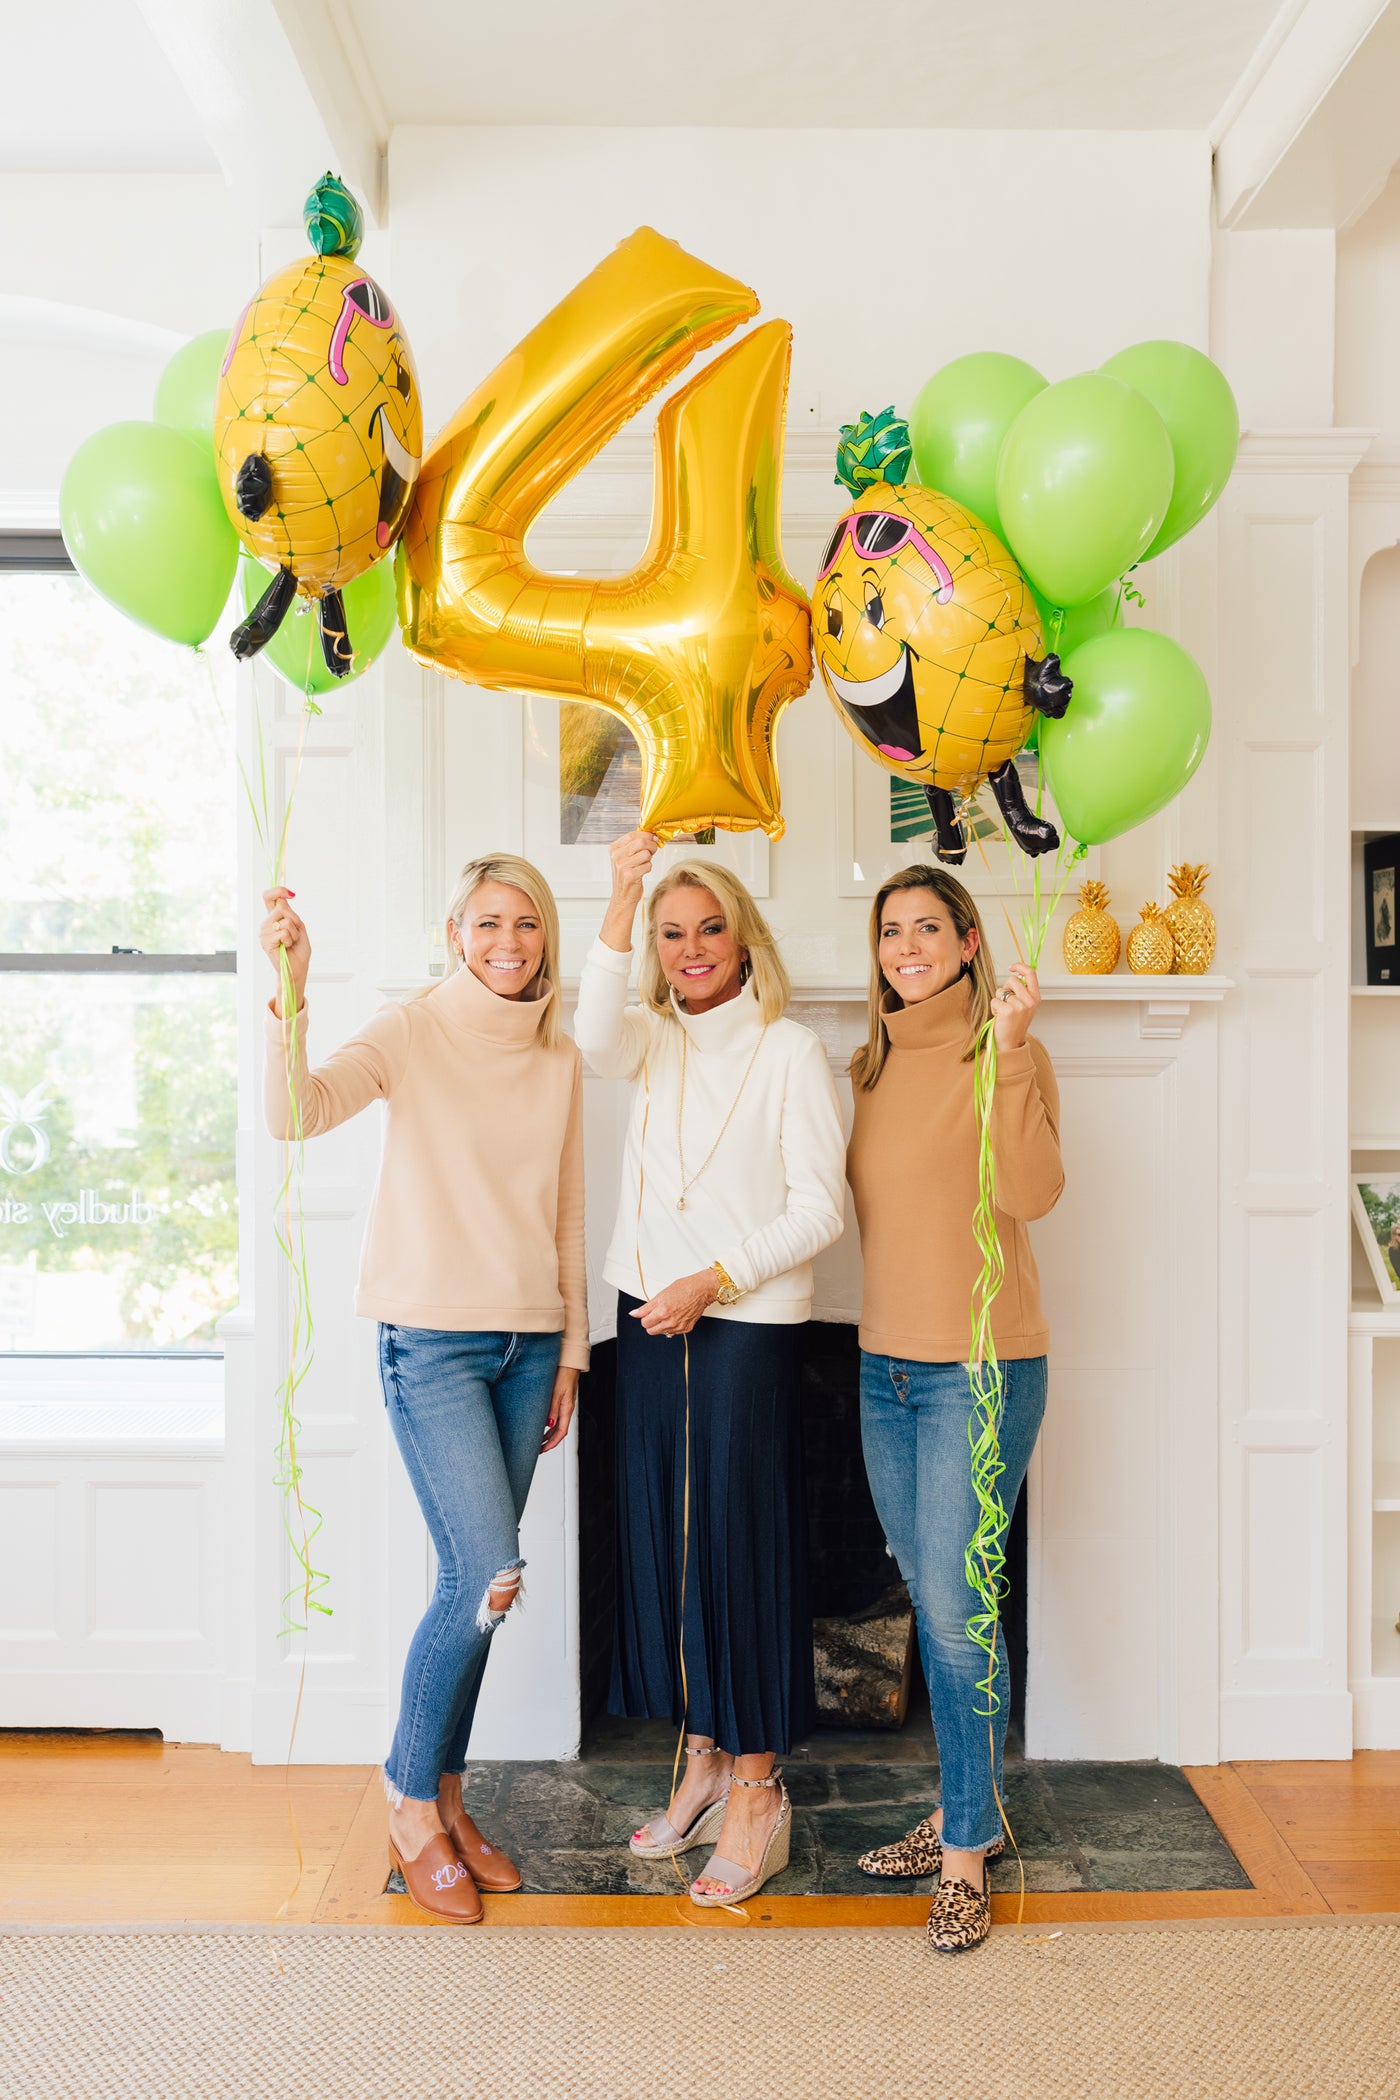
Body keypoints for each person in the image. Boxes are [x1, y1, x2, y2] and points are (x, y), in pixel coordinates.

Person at [260, 854, 587, 1923]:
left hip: (529, 1347)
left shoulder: (557, 1055)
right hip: (433, 1347)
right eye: (487, 922)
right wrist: (292, 997)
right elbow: (297, 1113)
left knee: (478, 1593)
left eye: (525, 923)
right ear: (456, 935)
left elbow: (567, 1213)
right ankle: (408, 1802)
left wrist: (571, 1353)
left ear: (544, 938)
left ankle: (447, 1797)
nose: (508, 941)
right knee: (486, 1576)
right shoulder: (410, 1029)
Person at [574, 832, 845, 1906]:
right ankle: (700, 1759)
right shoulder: (650, 1039)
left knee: (739, 1549)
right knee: (671, 1547)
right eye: (670, 933)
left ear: (743, 939)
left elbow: (820, 1209)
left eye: (709, 929)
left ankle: (758, 1790)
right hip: (648, 1313)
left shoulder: (790, 1052)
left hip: (745, 1321)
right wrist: (620, 895)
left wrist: (712, 1280)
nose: (691, 949)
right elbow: (591, 1033)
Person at [845, 864, 1064, 1953]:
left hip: (980, 1371)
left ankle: (966, 1852)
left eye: (927, 928)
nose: (907, 947)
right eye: (891, 931)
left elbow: (1032, 1193)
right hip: (882, 1372)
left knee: (955, 1610)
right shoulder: (869, 1066)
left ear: (969, 941)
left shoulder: (1005, 1053)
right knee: (945, 1601)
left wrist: (1013, 1048)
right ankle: (970, 1811)